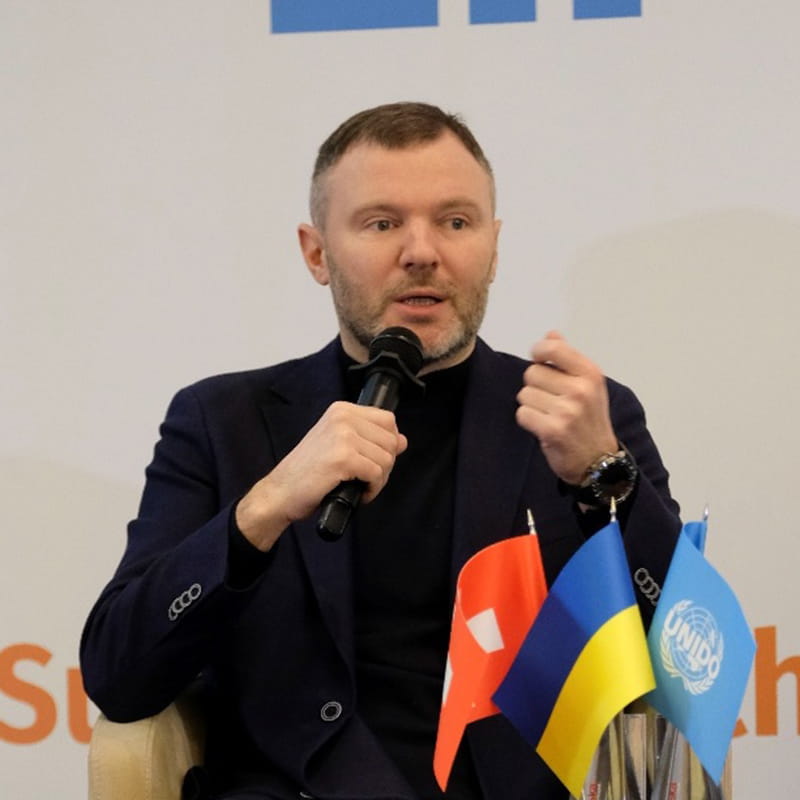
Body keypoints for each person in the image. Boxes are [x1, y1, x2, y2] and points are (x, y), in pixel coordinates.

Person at [80, 101, 681, 800]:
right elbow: (119, 674)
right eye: (382, 223)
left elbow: (685, 658)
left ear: (493, 246)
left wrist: (604, 479)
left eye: (455, 222)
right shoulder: (223, 421)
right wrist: (264, 508)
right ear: (317, 253)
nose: (422, 251)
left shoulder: (580, 419)